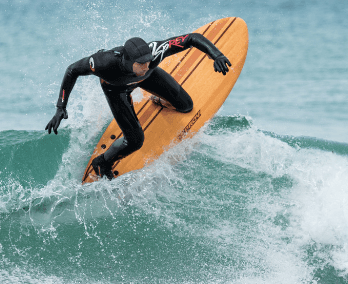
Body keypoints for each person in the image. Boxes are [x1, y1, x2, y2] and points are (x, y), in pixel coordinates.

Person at [45, 33, 231, 179]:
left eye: (149, 61)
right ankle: (102, 162)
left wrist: (216, 55)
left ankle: (158, 100)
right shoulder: (103, 62)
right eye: (141, 63)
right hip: (115, 90)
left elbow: (191, 38)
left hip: (147, 79)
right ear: (127, 61)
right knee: (134, 141)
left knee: (186, 106)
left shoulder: (153, 55)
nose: (147, 64)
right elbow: (72, 70)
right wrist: (61, 107)